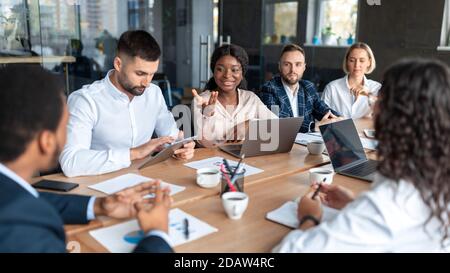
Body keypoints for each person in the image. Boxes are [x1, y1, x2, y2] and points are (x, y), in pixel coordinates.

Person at [273, 58, 450, 252]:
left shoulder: (389, 204)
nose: (373, 108)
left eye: (379, 100)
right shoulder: (434, 174)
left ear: (398, 116)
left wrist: (309, 217)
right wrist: (355, 204)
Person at [0, 65, 173, 253]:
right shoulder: (19, 234)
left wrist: (99, 205)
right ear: (47, 142)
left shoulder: (11, 193)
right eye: (65, 125)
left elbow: (27, 200)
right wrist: (157, 233)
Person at [59, 30, 195, 177]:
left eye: (152, 74)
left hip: (145, 177)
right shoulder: (85, 101)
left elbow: (170, 138)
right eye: (140, 74)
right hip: (99, 182)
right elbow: (70, 162)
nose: (147, 83)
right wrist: (135, 153)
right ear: (118, 64)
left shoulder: (153, 93)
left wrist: (182, 147)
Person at [192, 44, 277, 146]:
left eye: (235, 70)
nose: (227, 75)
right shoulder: (201, 100)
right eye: (220, 69)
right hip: (214, 159)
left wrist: (250, 124)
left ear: (242, 73)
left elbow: (278, 125)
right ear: (213, 72)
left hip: (246, 158)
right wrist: (208, 116)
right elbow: (204, 144)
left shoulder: (250, 99)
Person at [259, 44, 341, 133]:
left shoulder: (308, 87)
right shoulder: (269, 89)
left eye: (298, 64)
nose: (292, 70)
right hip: (281, 143)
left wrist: (337, 118)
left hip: (305, 144)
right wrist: (312, 126)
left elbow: (323, 109)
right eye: (287, 64)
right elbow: (278, 122)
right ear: (279, 66)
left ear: (304, 67)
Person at [322, 42, 381, 119]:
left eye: (362, 60)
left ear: (369, 62)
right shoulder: (332, 88)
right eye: (352, 60)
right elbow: (321, 119)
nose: (356, 65)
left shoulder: (377, 88)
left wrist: (369, 95)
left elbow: (386, 116)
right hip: (338, 131)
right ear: (347, 62)